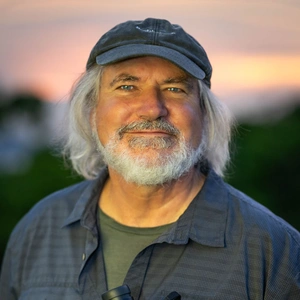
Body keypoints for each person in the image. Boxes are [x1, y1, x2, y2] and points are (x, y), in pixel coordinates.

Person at [0, 18, 299, 300]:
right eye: (127, 87)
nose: (152, 108)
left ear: (205, 117)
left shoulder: (275, 252)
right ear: (92, 111)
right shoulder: (37, 230)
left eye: (175, 88)